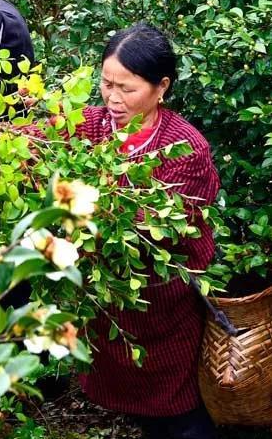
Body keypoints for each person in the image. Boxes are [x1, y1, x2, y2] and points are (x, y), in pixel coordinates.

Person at [76, 23, 220, 439]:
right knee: (140, 408)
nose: (113, 98)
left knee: (179, 413)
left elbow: (154, 230)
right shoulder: (91, 126)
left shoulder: (185, 149)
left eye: (127, 88)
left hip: (162, 306)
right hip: (111, 308)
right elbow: (31, 142)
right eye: (106, 84)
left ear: (161, 88)